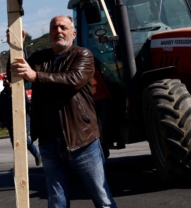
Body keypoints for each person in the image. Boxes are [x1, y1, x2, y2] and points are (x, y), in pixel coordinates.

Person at [11, 15, 116, 208]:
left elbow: (73, 79)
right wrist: (16, 47)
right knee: (56, 200)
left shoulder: (82, 55)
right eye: (54, 28)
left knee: (102, 198)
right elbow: (15, 75)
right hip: (49, 143)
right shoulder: (40, 58)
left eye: (63, 27)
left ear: (73, 33)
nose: (58, 31)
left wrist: (36, 76)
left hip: (81, 140)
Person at [0, 75, 41, 167]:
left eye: (6, 78)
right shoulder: (3, 94)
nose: (4, 80)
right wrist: (0, 120)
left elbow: (28, 105)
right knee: (15, 145)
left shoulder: (19, 91)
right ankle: (19, 167)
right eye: (3, 79)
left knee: (24, 140)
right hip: (10, 123)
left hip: (23, 121)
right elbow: (1, 109)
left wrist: (33, 118)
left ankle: (37, 154)